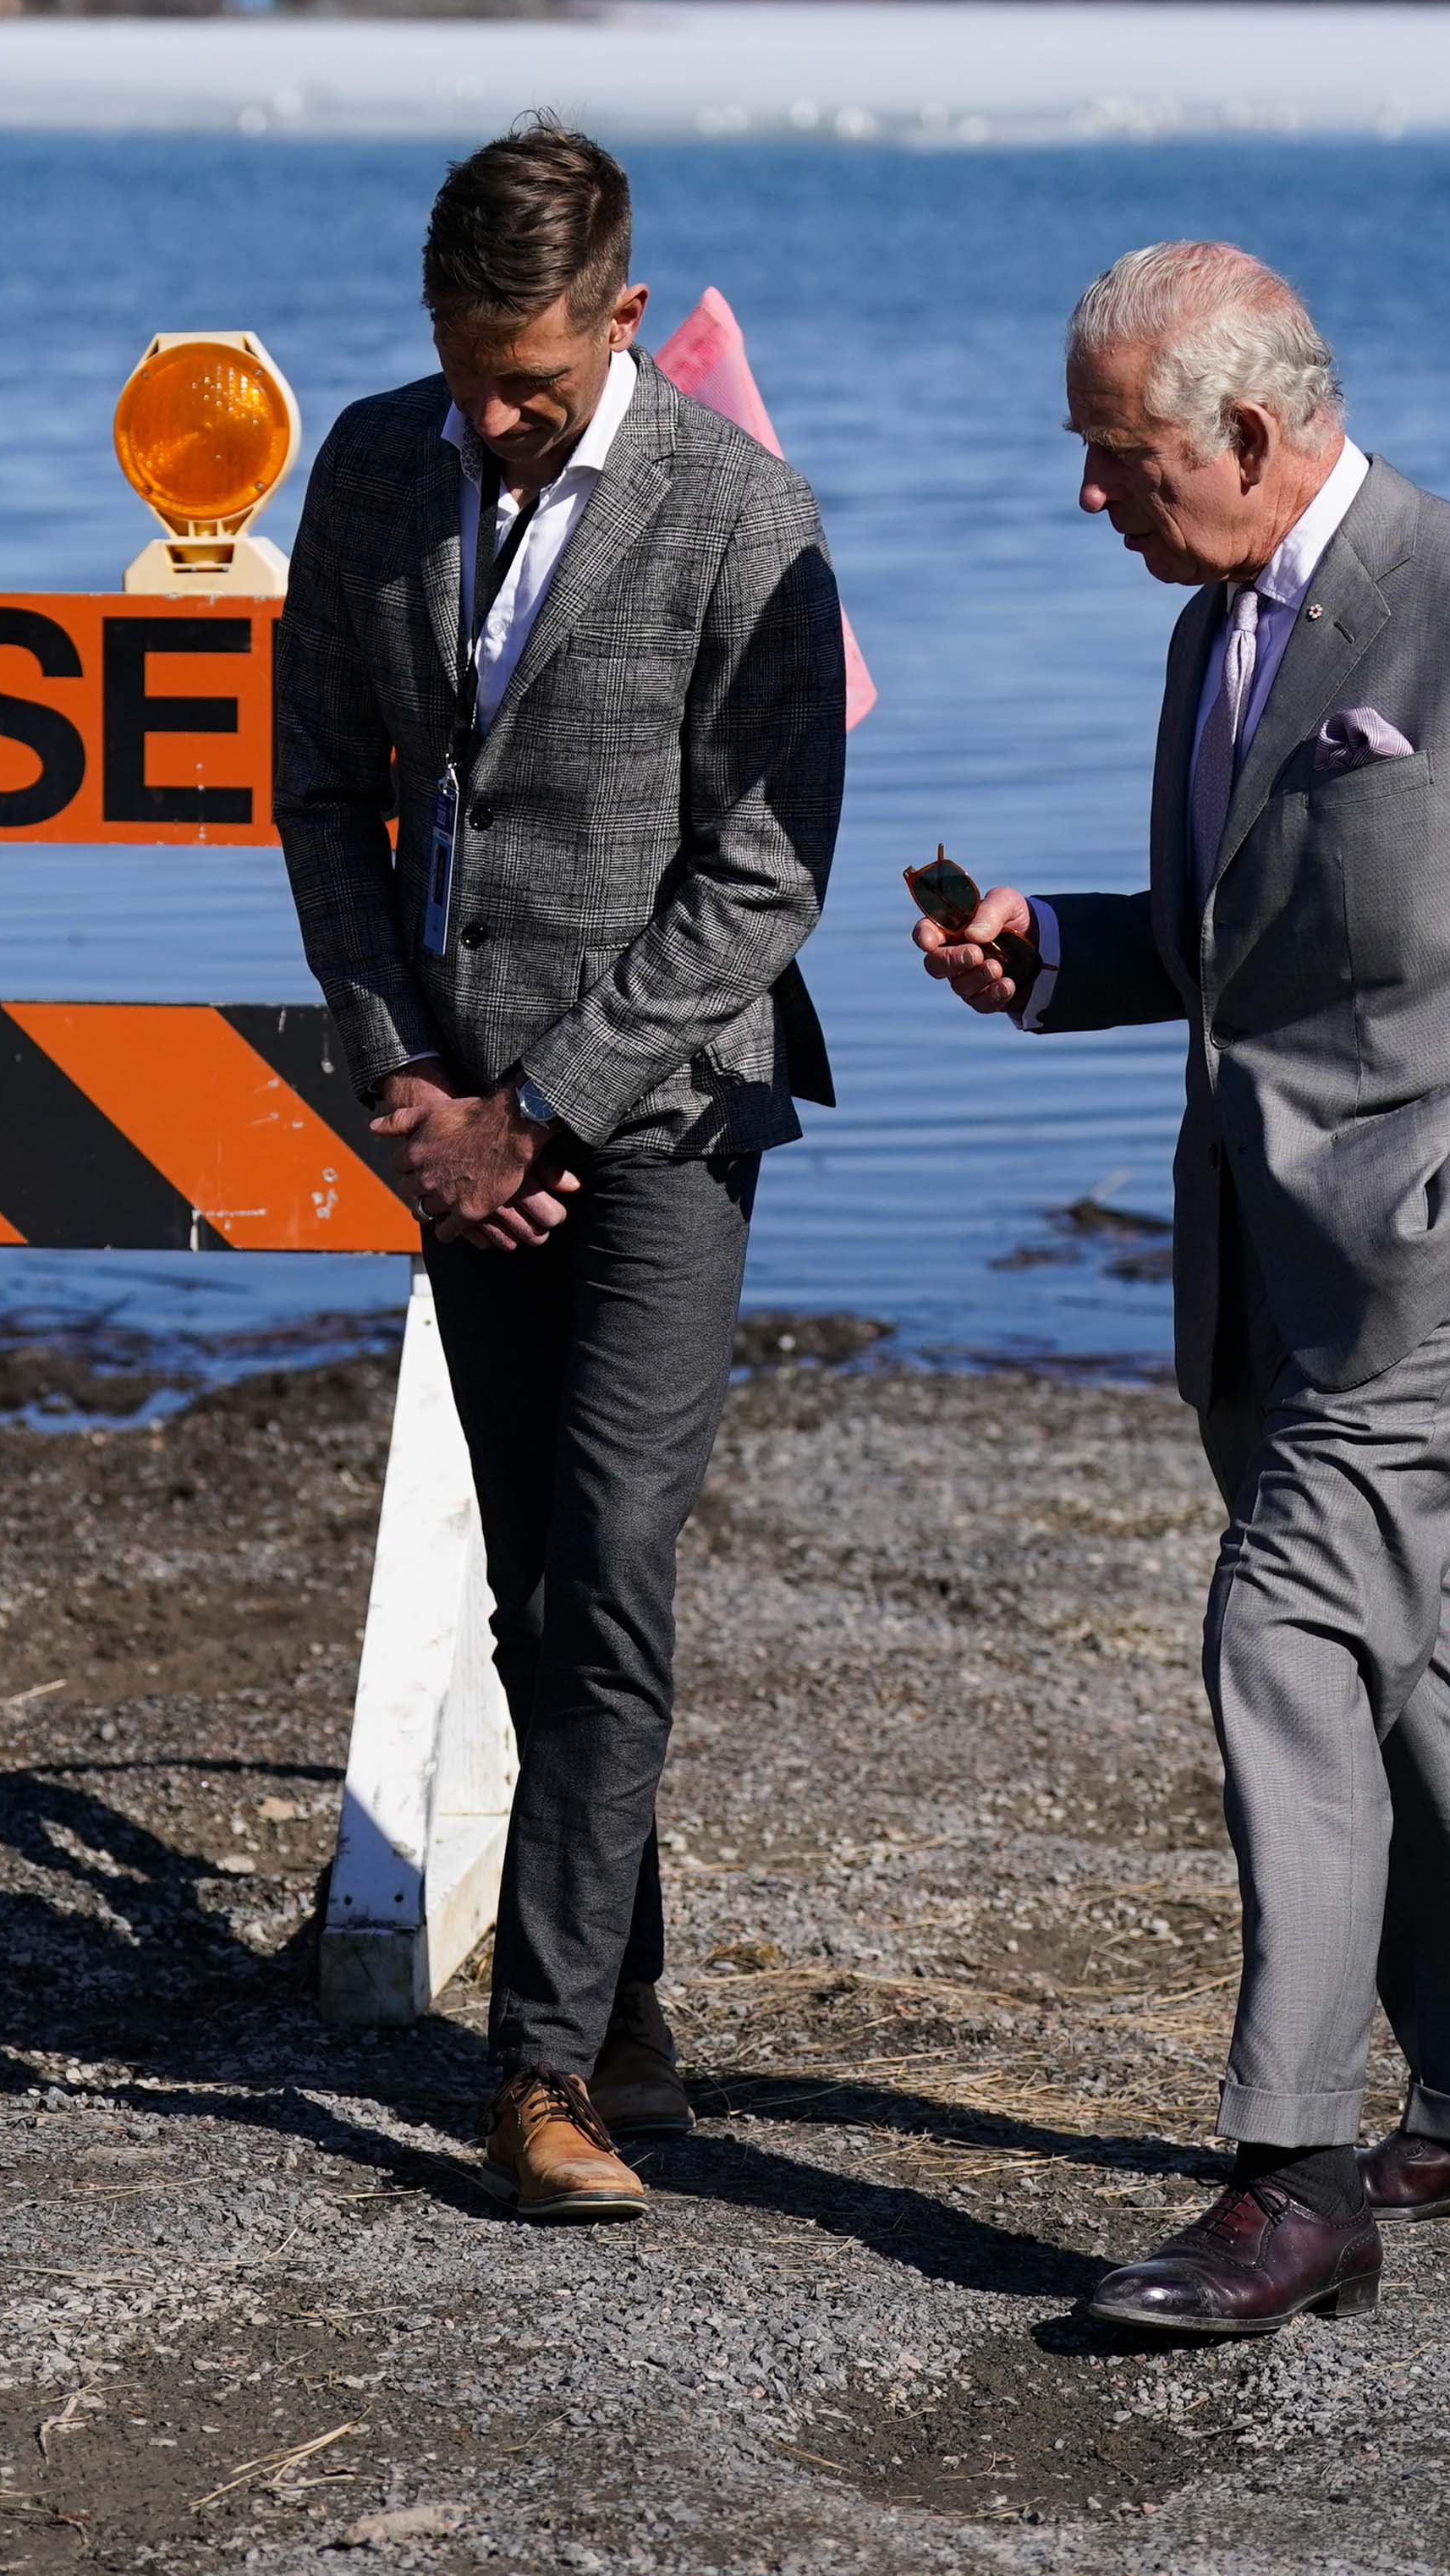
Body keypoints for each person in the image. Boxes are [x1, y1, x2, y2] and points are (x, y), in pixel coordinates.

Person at [914, 241, 1450, 2333]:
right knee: (1396, 1649)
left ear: (1250, 437)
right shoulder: (1212, 631)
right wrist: (1056, 955)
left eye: (1114, 459)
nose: (1088, 498)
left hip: (1436, 1267)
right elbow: (1229, 944)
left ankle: (1290, 2177)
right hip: (1255, 1258)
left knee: (1279, 1638)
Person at [272, 121, 847, 2222]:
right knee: (536, 1588)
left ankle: (533, 2070)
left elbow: (765, 868)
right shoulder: (366, 466)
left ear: (623, 314)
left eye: (524, 378)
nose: (489, 419)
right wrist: (407, 1087)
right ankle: (628, 2007)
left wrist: (549, 1106)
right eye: (460, 372)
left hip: (671, 1121)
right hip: (450, 1123)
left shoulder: (741, 515)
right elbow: (322, 793)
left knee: (605, 1564)